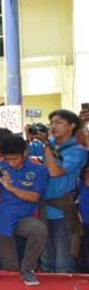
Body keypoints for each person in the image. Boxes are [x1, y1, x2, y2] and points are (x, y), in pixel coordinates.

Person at [30, 109, 87, 273]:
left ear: (72, 126)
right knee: (46, 260)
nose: (54, 126)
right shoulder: (47, 145)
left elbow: (56, 172)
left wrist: (46, 145)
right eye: (52, 123)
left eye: (59, 122)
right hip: (42, 210)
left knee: (63, 262)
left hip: (62, 210)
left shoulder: (77, 150)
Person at [0, 135, 49, 285]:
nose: (10, 163)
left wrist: (11, 187)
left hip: (23, 218)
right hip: (2, 220)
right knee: (11, 268)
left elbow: (34, 197)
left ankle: (28, 269)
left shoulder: (38, 170)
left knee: (38, 229)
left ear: (25, 152)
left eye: (15, 158)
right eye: (7, 159)